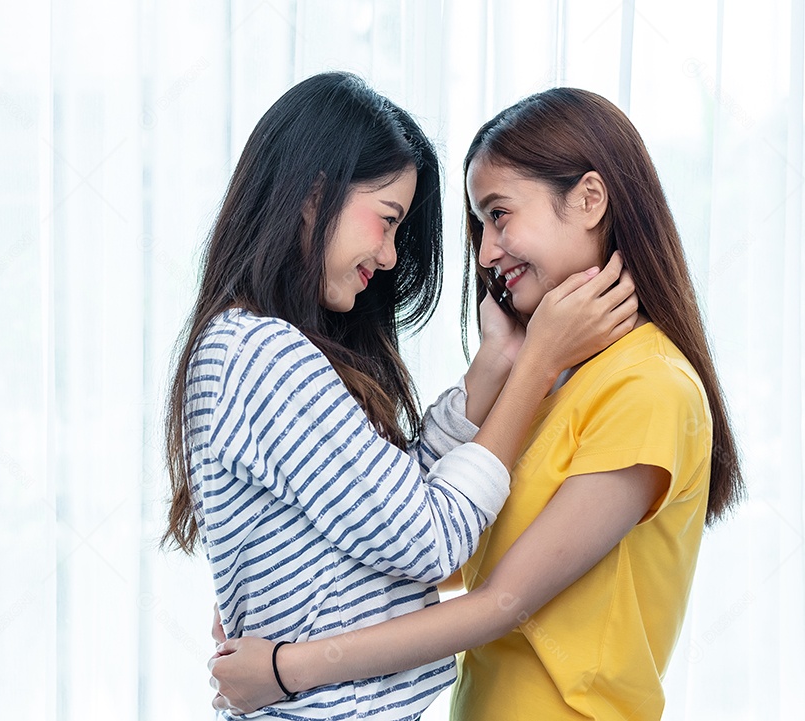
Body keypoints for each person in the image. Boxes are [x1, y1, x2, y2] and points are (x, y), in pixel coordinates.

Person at [208, 87, 744, 721]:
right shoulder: (552, 381)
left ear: (589, 200)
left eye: (499, 214)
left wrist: (284, 668)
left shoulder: (650, 388)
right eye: (480, 224)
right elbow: (415, 533)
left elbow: (499, 600)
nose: (486, 252)